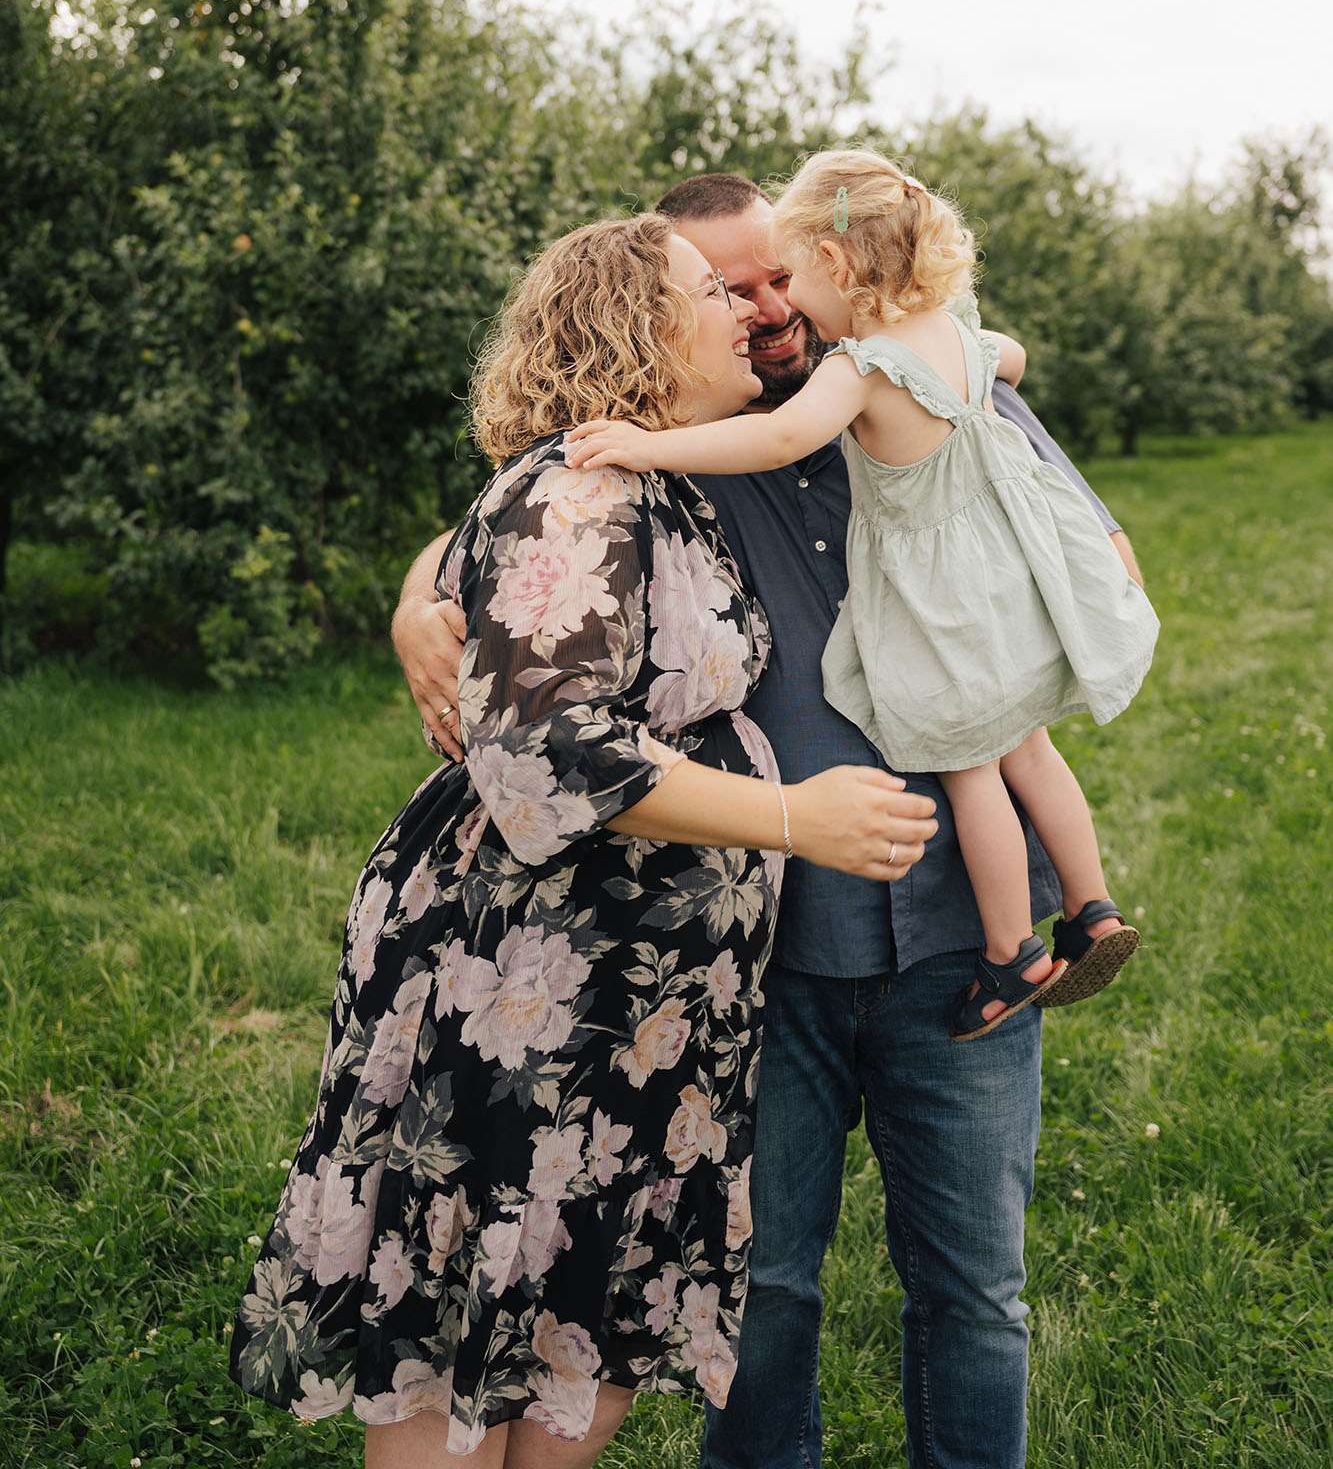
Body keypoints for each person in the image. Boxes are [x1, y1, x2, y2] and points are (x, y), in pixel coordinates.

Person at [395, 170, 1146, 1469]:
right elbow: (518, 507)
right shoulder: (687, 431)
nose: (761, 309)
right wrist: (414, 601)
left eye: (771, 277)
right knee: (761, 1283)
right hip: (761, 947)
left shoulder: (922, 378)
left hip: (963, 932)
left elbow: (1101, 548)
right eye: (727, 290)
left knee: (976, 1288)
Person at [231, 212, 935, 1469]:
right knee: (467, 1322)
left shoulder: (657, 479)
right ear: (639, 327)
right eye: (711, 290)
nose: (746, 313)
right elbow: (543, 744)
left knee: (573, 1324)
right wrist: (794, 818)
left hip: (630, 1003)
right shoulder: (581, 490)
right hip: (533, 990)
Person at [566, 149, 1159, 1042]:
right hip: (997, 603)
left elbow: (781, 437)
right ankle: (1092, 907)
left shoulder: (861, 369)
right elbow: (1013, 356)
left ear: (833, 264)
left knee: (970, 768)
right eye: (733, 291)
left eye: (788, 277)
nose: (780, 307)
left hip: (935, 615)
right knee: (1029, 751)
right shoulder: (957, 338)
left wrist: (644, 447)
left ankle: (1009, 952)